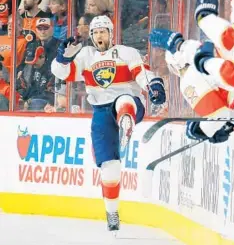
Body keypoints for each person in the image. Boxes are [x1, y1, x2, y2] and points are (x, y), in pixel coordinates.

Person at [51, 15, 166, 233]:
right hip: (101, 113)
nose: (98, 36)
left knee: (122, 100)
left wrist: (155, 87)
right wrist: (62, 58)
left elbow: (143, 74)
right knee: (109, 167)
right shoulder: (86, 55)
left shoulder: (126, 52)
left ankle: (126, 121)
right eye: (95, 32)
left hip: (131, 103)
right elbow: (61, 73)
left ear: (111, 33)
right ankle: (112, 212)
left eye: (103, 31)